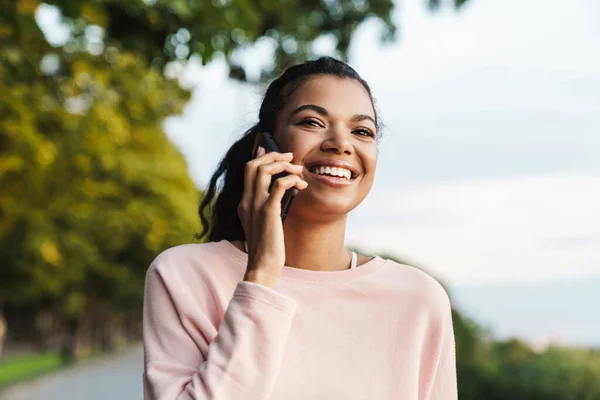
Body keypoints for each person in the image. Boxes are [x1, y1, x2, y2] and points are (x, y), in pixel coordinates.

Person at [142, 57, 457, 400]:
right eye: (312, 122)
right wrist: (261, 276)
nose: (341, 143)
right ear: (265, 148)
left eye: (362, 131)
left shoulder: (419, 300)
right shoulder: (184, 275)